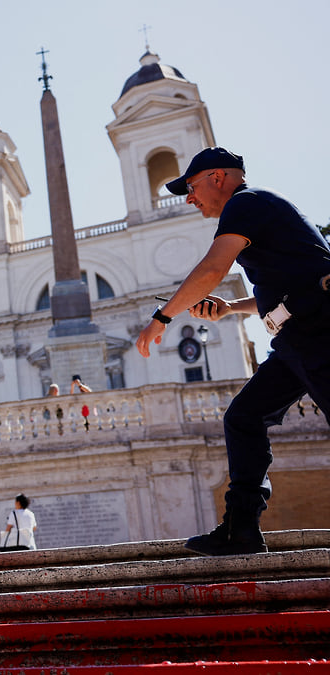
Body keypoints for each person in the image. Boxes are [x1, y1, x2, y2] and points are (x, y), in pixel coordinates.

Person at [136, 147, 330, 557]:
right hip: (299, 333)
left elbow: (211, 270)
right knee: (244, 417)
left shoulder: (245, 202)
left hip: (320, 329)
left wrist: (162, 318)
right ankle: (240, 528)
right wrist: (229, 308)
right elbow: (285, 289)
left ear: (219, 177)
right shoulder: (255, 210)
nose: (189, 197)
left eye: (191, 186)